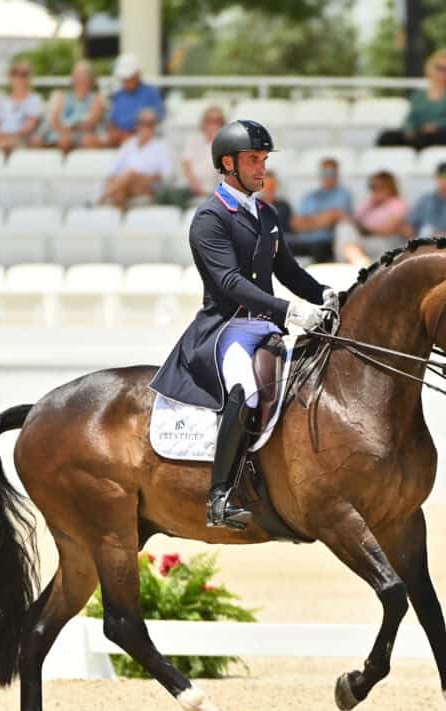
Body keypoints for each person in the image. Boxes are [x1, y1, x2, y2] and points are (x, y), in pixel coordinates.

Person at [149, 119, 336, 529]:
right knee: (246, 390)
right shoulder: (210, 218)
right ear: (228, 164)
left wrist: (324, 293)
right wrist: (289, 312)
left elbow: (288, 270)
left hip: (265, 327)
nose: (261, 168)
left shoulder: (265, 213)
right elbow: (231, 283)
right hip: (227, 329)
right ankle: (220, 495)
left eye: (264, 159)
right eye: (254, 159)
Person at [377, 48, 446, 150]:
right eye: (440, 68)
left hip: (439, 134)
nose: (443, 73)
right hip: (417, 132)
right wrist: (409, 129)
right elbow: (411, 117)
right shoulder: (419, 95)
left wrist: (437, 126)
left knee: (425, 139)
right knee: (386, 137)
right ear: (432, 69)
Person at [98, 108, 173, 210]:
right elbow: (113, 170)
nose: (146, 127)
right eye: (142, 123)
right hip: (125, 183)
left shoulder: (161, 147)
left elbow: (167, 174)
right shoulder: (129, 145)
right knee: (120, 191)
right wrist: (118, 179)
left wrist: (148, 177)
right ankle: (121, 219)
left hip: (148, 185)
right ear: (137, 125)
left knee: (130, 174)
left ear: (154, 126)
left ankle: (101, 198)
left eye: (150, 124)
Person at [334, 171, 408, 264]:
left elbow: (388, 229)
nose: (375, 191)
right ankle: (357, 260)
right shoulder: (370, 204)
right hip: (365, 240)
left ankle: (357, 261)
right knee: (344, 227)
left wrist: (365, 229)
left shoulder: (397, 204)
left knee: (348, 241)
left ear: (390, 187)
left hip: (384, 243)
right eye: (372, 187)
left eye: (380, 187)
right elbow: (355, 221)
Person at [290, 157, 352, 263]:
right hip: (303, 241)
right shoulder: (309, 196)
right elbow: (296, 224)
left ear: (337, 174)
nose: (327, 176)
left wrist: (309, 221)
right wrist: (320, 220)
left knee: (319, 250)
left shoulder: (343, 194)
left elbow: (333, 217)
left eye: (330, 172)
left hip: (326, 243)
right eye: (324, 172)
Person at [38, 60, 105, 151]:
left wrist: (70, 128)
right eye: (78, 76)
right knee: (39, 140)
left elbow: (90, 122)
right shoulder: (61, 95)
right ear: (73, 78)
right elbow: (54, 117)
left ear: (91, 79)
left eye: (84, 76)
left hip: (82, 134)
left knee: (72, 141)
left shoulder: (96, 98)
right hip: (60, 133)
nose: (81, 79)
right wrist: (62, 129)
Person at [106, 53, 164, 148]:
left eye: (128, 78)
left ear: (137, 75)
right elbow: (112, 121)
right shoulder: (118, 95)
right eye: (123, 79)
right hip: (120, 137)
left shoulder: (151, 93)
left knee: (127, 140)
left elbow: (157, 117)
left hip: (141, 137)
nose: (125, 81)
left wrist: (135, 132)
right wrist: (114, 133)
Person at [180, 105, 226, 199]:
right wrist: (194, 184)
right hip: (190, 186)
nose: (213, 124)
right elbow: (186, 165)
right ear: (204, 122)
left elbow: (221, 172)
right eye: (210, 120)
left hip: (213, 190)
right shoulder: (194, 140)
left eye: (217, 121)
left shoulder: (226, 144)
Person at [258, 168, 292, 238]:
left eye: (272, 185)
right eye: (266, 186)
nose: (269, 189)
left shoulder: (284, 206)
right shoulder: (252, 205)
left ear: (276, 186)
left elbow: (289, 228)